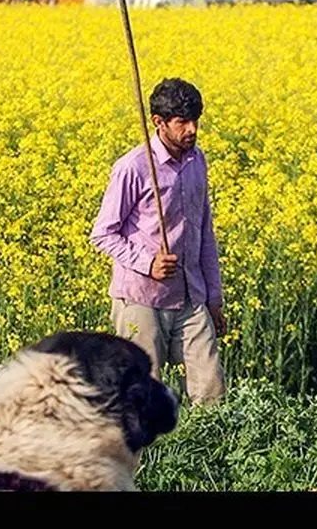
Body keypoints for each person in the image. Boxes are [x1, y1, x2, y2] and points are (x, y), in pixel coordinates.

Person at [89, 77, 226, 405]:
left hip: (191, 295)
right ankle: (144, 458)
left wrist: (214, 298)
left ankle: (210, 454)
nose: (192, 130)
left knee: (212, 392)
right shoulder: (133, 167)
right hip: (141, 298)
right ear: (158, 123)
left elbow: (204, 232)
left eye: (195, 121)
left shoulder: (197, 162)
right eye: (182, 122)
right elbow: (103, 234)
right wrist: (148, 263)